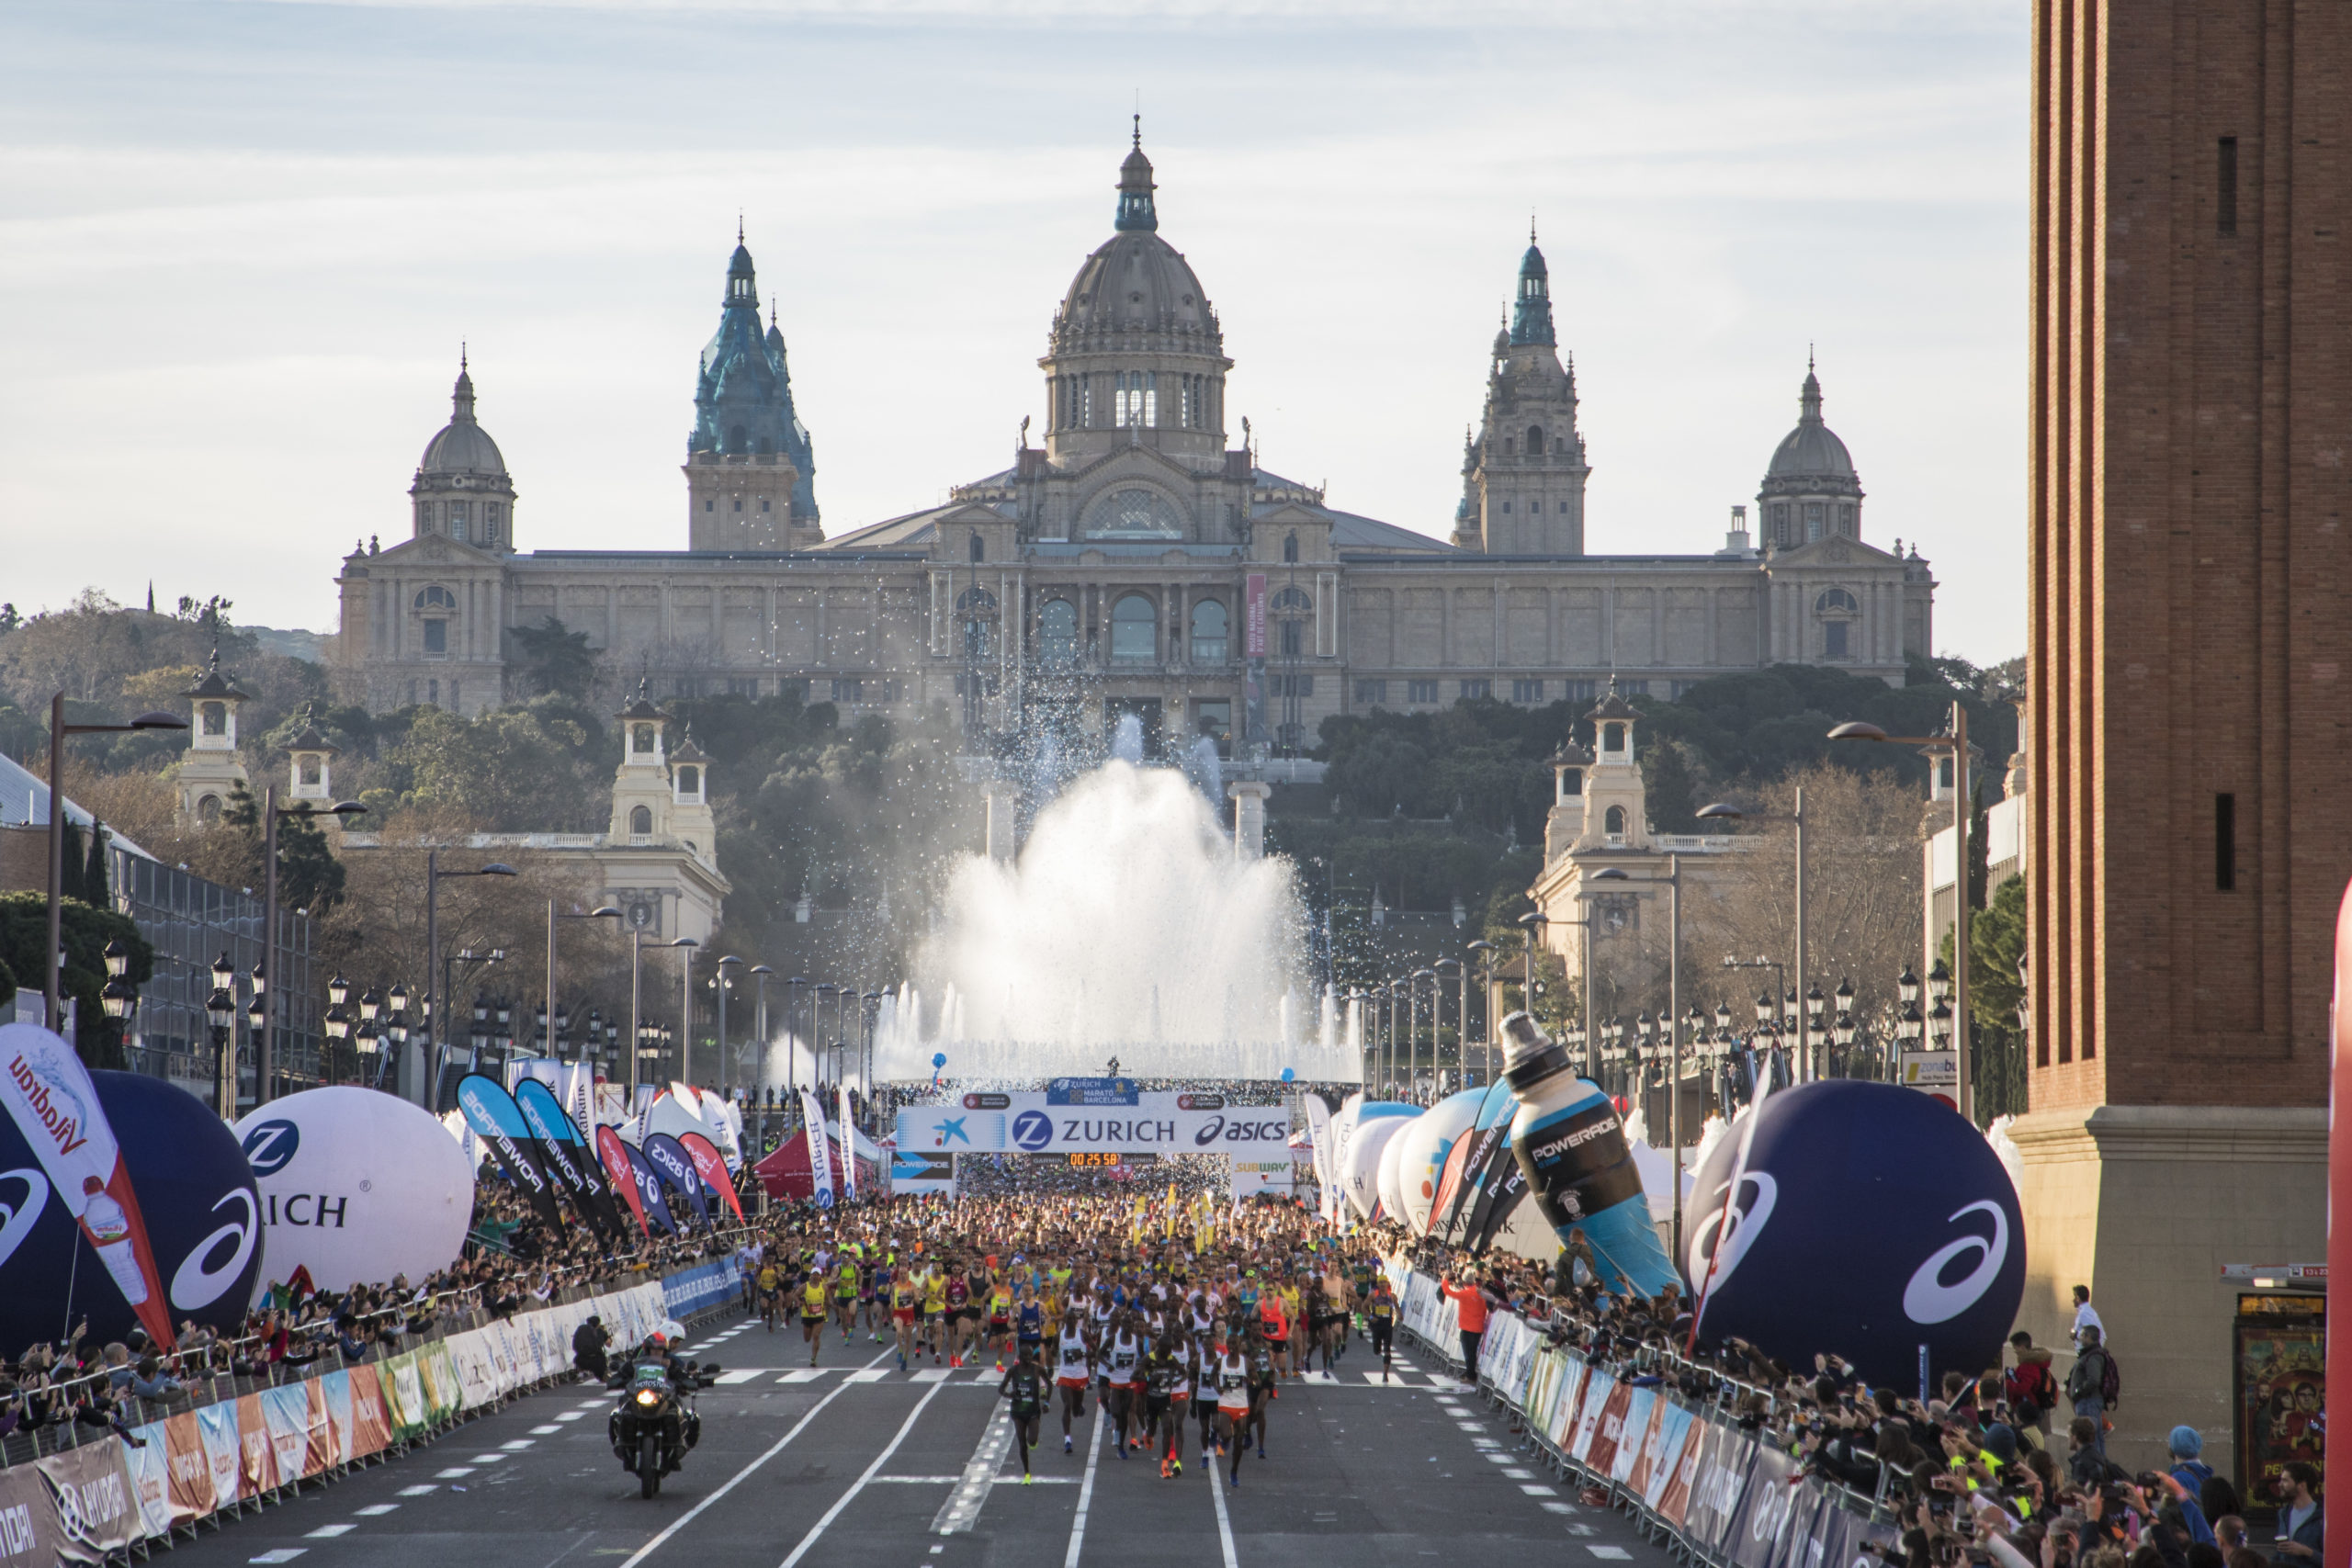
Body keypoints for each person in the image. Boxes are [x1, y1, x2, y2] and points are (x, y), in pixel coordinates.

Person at [999, 1341, 1048, 1483]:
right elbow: (1000, 1389)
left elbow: (1049, 1383)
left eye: (1030, 1355)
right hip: (1017, 1411)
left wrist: (1046, 1401)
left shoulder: (1037, 1369)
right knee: (1022, 1443)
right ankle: (1027, 1474)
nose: (1027, 1358)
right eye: (1025, 1355)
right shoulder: (1013, 1371)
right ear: (1019, 1357)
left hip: (1033, 1411)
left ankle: (1033, 1440)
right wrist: (1009, 1395)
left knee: (1031, 1440)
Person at [2066, 1325, 2113, 1454]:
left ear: (2088, 1337)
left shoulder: (2094, 1356)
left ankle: (2094, 1469)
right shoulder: (2088, 1354)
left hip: (2088, 1402)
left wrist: (2078, 1391)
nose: (2079, 1338)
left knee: (2090, 1439)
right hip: (2087, 1401)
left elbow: (2093, 1380)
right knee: (2095, 1438)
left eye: (2082, 1335)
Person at [1441, 1269, 1490, 1385]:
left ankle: (1470, 1375)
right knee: (1472, 1352)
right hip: (1478, 1327)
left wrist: (1445, 1280)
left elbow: (1448, 1292)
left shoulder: (1464, 1293)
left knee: (1468, 1353)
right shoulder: (1480, 1293)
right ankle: (1470, 1373)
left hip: (1467, 1328)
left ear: (1463, 1282)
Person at [2272, 1462, 2322, 1564]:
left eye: (2285, 1481)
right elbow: (2279, 1552)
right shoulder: (2283, 1514)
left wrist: (2307, 1552)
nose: (2280, 1484)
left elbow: (2334, 1561)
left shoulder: (2322, 1517)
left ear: (2302, 1486)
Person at [1365, 1274, 1398, 1380]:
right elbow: (1363, 1307)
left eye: (1384, 1282)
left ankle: (1385, 1374)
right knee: (1377, 1350)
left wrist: (1400, 1315)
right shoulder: (1373, 1295)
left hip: (1388, 1325)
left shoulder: (1392, 1296)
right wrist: (1370, 1317)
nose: (1383, 1284)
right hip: (1376, 1324)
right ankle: (1377, 1348)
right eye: (1381, 1282)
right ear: (1378, 1284)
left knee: (1387, 1349)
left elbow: (1397, 1307)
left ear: (1387, 1284)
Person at [798, 1269, 829, 1367]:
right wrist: (801, 1303)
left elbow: (828, 1299)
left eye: (817, 1275)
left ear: (820, 1277)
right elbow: (795, 1295)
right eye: (813, 1275)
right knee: (807, 1339)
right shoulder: (804, 1286)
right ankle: (811, 1331)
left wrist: (832, 1306)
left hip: (819, 1315)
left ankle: (813, 1358)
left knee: (816, 1336)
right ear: (810, 1275)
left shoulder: (823, 1287)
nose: (815, 1277)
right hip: (807, 1316)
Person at [572, 1314, 610, 1382]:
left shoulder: (581, 1329)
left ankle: (580, 1375)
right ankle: (603, 1377)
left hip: (581, 1360)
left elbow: (575, 1344)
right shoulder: (599, 1331)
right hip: (597, 1360)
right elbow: (608, 1344)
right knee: (602, 1359)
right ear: (598, 1324)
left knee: (579, 1358)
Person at [2071, 1284, 2106, 1351]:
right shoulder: (2088, 1311)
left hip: (2088, 1352)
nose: (2073, 1300)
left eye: (2074, 1297)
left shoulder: (2084, 1313)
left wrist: (2075, 1334)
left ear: (2078, 1298)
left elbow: (2091, 1332)